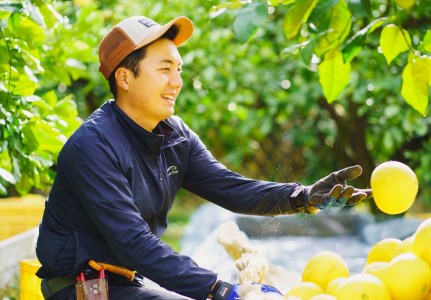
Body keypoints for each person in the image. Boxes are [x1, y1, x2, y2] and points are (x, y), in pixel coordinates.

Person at [35, 15, 372, 300]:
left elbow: (231, 188)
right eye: (165, 69)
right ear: (124, 77)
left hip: (128, 281)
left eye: (178, 69)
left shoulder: (173, 134)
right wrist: (219, 290)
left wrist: (302, 196)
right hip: (84, 290)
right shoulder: (92, 147)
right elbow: (134, 243)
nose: (177, 81)